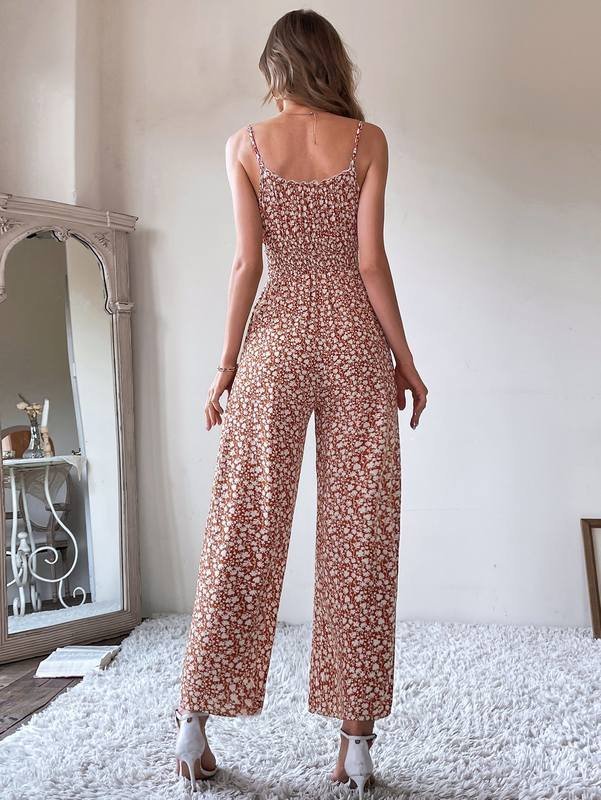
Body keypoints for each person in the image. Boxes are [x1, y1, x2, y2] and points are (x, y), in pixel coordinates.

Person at [174, 8, 428, 797]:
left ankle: (193, 725)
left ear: (276, 69)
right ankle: (356, 745)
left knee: (243, 522)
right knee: (360, 532)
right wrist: (404, 361)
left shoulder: (245, 145)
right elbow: (370, 262)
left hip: (276, 339)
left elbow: (246, 264)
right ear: (331, 65)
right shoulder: (366, 140)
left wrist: (225, 366)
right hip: (353, 340)